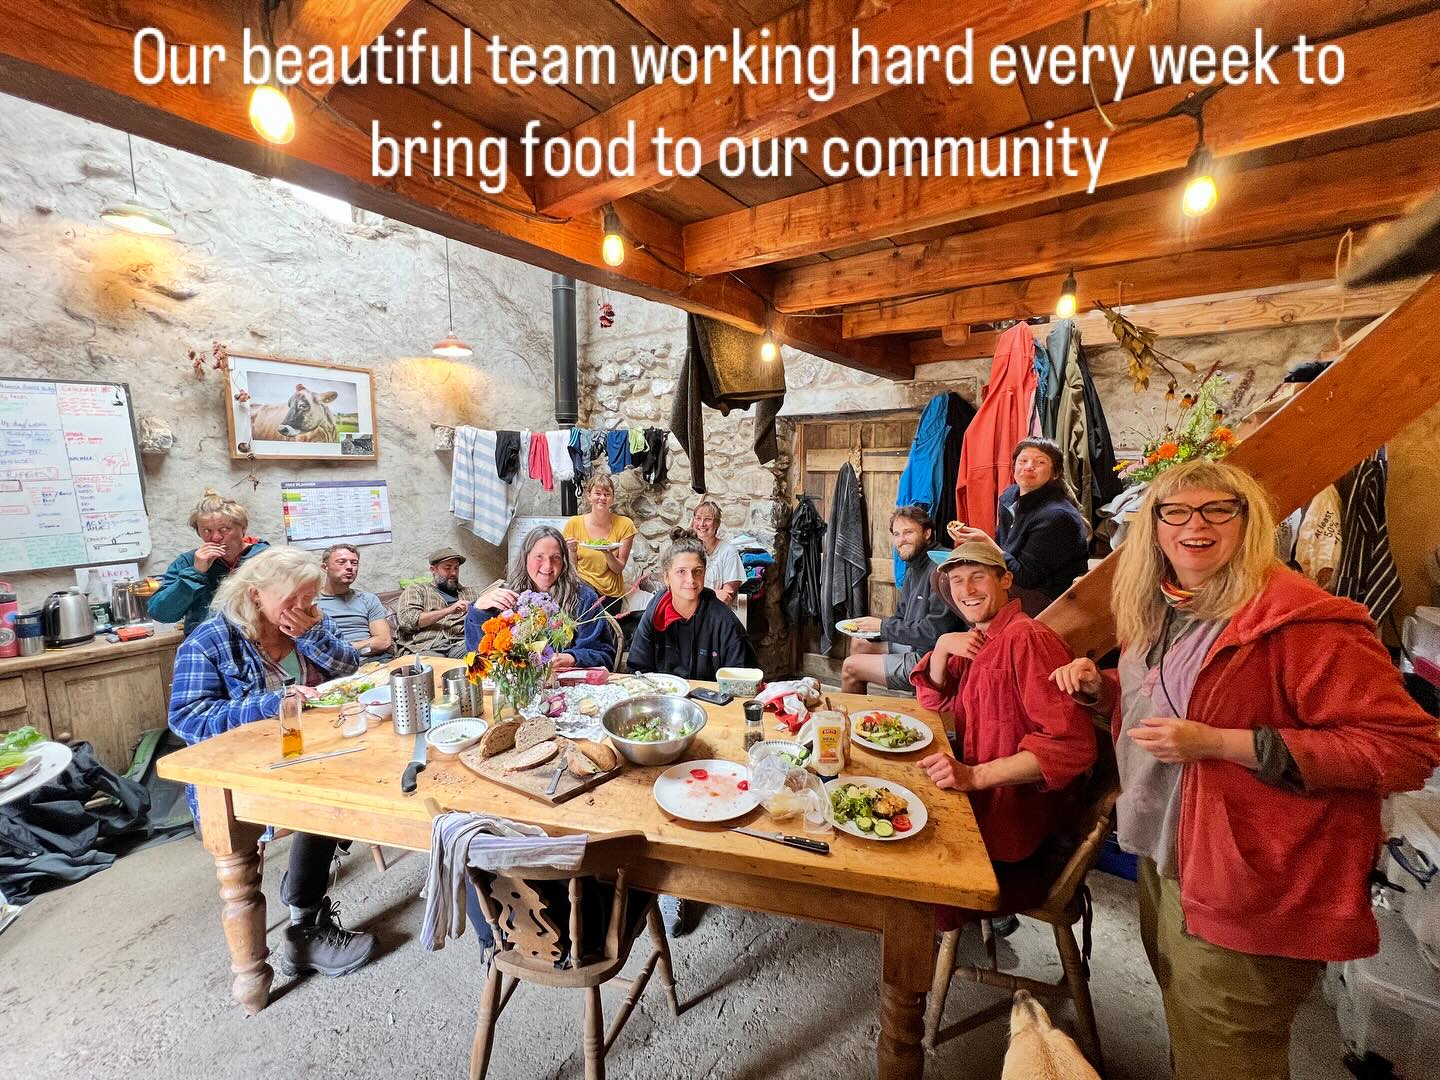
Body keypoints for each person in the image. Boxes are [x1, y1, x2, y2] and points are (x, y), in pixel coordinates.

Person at [1048, 460, 1440, 1080]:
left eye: (1216, 510)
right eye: (1175, 511)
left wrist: (1223, 744)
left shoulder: (1299, 622)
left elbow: (1406, 747)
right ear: (1153, 527)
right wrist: (1104, 690)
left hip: (1247, 881)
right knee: (1193, 1031)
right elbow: (1172, 697)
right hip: (1165, 853)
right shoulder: (1167, 606)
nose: (1194, 525)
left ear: (1248, 521)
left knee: (1229, 1054)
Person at [167, 546, 376, 978]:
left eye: (309, 597)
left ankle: (302, 894)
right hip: (246, 776)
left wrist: (312, 636)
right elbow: (187, 718)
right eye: (291, 598)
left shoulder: (311, 621)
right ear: (255, 594)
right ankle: (304, 926)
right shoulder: (210, 641)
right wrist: (270, 704)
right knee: (328, 800)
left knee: (361, 779)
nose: (303, 607)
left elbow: (351, 667)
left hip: (312, 753)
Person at [910, 542, 1096, 920]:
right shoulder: (983, 639)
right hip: (979, 815)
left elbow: (1072, 746)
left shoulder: (1027, 638)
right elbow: (932, 700)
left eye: (978, 577)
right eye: (957, 580)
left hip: (1017, 847)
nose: (967, 590)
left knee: (906, 885)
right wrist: (943, 647)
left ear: (1005, 579)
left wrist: (973, 776)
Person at [950, 438, 1088, 615]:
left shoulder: (1057, 516)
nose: (1029, 467)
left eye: (1040, 462)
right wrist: (977, 546)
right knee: (947, 577)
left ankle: (998, 629)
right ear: (1014, 466)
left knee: (971, 585)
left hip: (1048, 597)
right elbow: (1004, 550)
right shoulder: (1010, 497)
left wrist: (986, 543)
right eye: (1023, 461)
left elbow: (1027, 577)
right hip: (1014, 579)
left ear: (1055, 473)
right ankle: (988, 629)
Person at [842, 506, 961, 694]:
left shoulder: (941, 567)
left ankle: (848, 713)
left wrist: (883, 627)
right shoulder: (914, 567)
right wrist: (873, 630)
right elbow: (901, 617)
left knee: (850, 667)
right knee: (859, 642)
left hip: (932, 658)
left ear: (927, 533)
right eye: (897, 534)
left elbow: (935, 632)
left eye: (908, 532)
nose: (901, 540)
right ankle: (863, 708)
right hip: (916, 645)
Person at [464, 525, 617, 669]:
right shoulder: (506, 597)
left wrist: (572, 658)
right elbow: (479, 656)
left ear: (564, 562)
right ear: (525, 558)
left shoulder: (583, 598)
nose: (548, 565)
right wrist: (478, 610)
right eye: (539, 557)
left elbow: (604, 656)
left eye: (556, 557)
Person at [627, 529, 756, 681]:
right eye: (681, 572)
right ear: (666, 578)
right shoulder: (655, 613)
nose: (691, 580)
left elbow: (742, 680)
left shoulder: (724, 622)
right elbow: (637, 669)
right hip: (661, 693)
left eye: (697, 571)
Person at [148, 489, 270, 634]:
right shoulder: (187, 562)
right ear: (198, 532)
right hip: (209, 643)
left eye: (224, 529)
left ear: (243, 529)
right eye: (207, 531)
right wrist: (196, 572)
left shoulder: (266, 557)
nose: (216, 537)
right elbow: (161, 614)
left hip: (259, 640)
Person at [563, 474, 636, 616]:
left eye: (607, 494)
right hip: (583, 591)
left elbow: (618, 569)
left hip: (611, 595)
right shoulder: (574, 524)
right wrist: (572, 550)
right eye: (597, 493)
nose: (602, 498)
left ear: (613, 498)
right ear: (589, 496)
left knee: (608, 630)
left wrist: (608, 552)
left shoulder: (625, 525)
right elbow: (572, 569)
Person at [395, 547, 477, 657]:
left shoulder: (470, 593)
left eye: (456, 568)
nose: (453, 573)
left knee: (481, 651)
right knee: (437, 663)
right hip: (425, 646)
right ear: (433, 570)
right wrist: (449, 610)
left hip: (460, 644)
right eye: (448, 568)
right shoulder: (417, 590)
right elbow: (407, 621)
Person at [316, 543, 393, 659]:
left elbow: (383, 642)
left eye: (354, 563)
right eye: (341, 562)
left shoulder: (368, 599)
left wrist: (346, 649)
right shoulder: (311, 603)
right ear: (324, 567)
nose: (349, 567)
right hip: (333, 664)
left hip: (374, 660)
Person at [690, 500, 745, 608]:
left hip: (716, 611)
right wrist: (714, 593)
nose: (701, 524)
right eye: (698, 518)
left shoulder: (728, 552)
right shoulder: (688, 550)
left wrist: (696, 593)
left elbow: (726, 596)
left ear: (717, 524)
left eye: (708, 519)